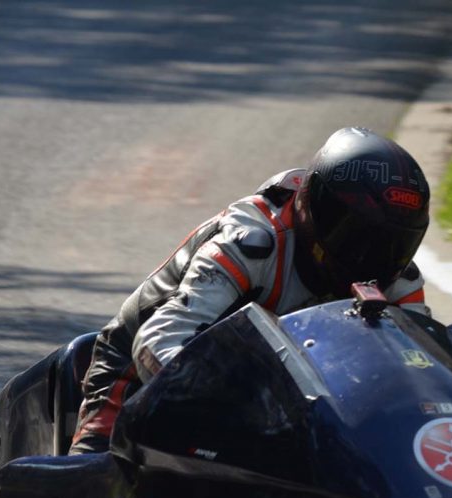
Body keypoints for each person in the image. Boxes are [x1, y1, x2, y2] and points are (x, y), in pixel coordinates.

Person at [71, 127, 431, 454]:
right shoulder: (252, 243)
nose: (372, 258)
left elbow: (423, 370)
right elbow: (159, 339)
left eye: (393, 244)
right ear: (314, 207)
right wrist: (226, 402)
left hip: (292, 402)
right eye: (357, 237)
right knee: (95, 471)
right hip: (140, 370)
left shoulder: (397, 278)